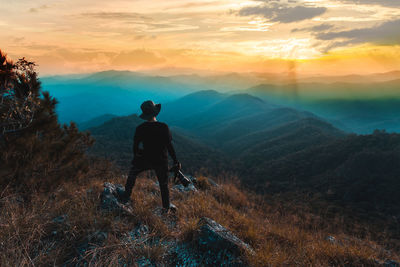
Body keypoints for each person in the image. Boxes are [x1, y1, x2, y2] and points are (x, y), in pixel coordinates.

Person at [121, 100, 181, 213]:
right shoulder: (164, 127)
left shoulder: (140, 128)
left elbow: (135, 147)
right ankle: (166, 207)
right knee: (163, 185)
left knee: (132, 173)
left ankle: (126, 196)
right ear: (155, 112)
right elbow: (169, 146)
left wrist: (137, 156)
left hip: (145, 158)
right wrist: (176, 161)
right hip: (161, 160)